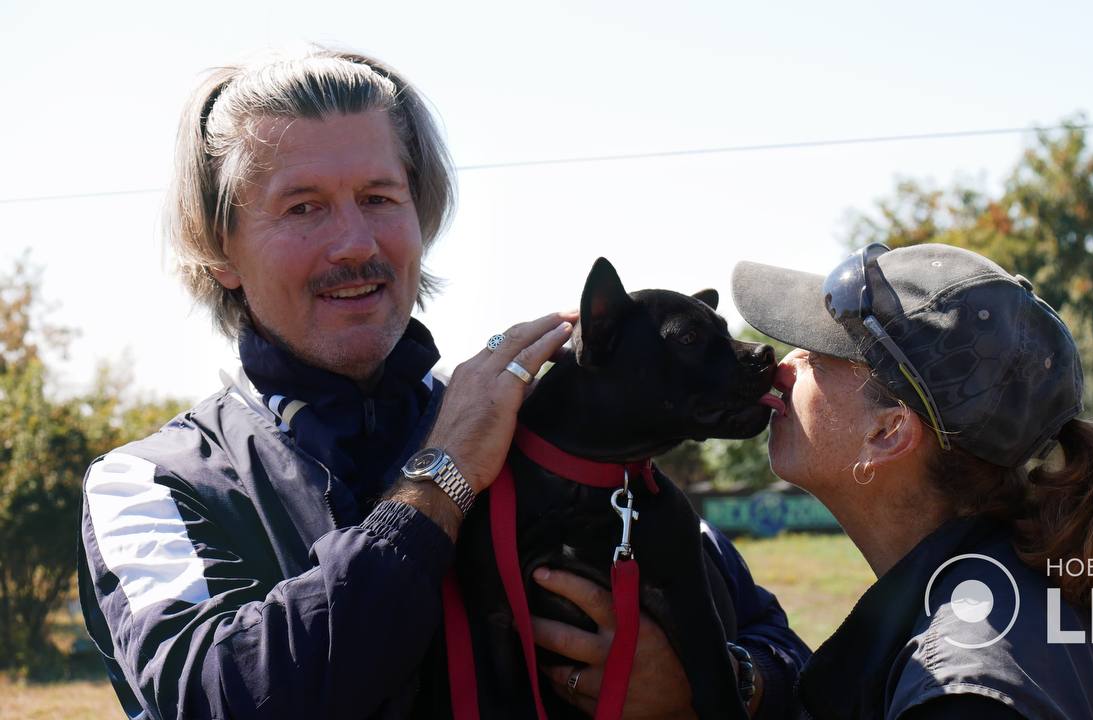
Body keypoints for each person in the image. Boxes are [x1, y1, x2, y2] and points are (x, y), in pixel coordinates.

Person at [77, 48, 808, 719]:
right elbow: (225, 698)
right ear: (217, 252)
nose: (356, 243)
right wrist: (441, 480)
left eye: (381, 197)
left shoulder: (540, 433)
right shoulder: (144, 485)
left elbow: (784, 653)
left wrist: (718, 684)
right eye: (303, 207)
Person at [731, 243, 1093, 719]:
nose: (783, 366)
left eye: (818, 356)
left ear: (888, 432)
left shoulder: (962, 693)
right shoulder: (1072, 591)